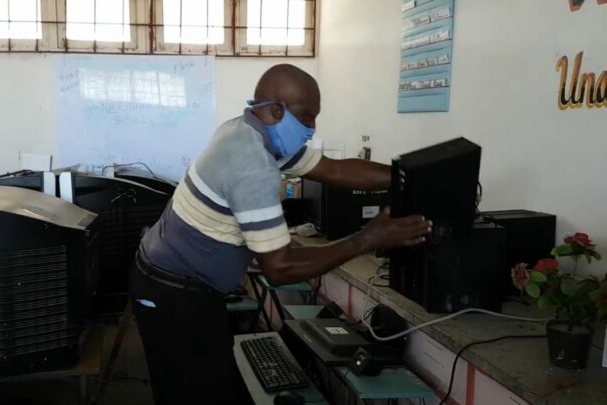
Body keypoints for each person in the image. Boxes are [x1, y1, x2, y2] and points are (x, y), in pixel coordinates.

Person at [129, 64, 431, 405]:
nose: (312, 128)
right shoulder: (252, 162)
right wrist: (368, 239)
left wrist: (408, 178)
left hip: (174, 282)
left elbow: (335, 169)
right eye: (307, 117)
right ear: (276, 110)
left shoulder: (248, 129)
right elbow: (280, 267)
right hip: (175, 294)